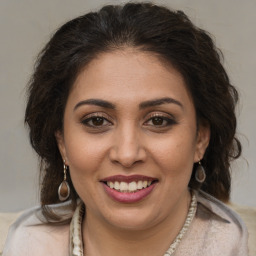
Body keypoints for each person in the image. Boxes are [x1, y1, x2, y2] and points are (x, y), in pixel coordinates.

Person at [3, 2, 248, 256]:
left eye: (158, 120)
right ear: (62, 142)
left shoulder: (231, 243)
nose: (128, 154)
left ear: (200, 139)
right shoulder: (26, 244)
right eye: (97, 121)